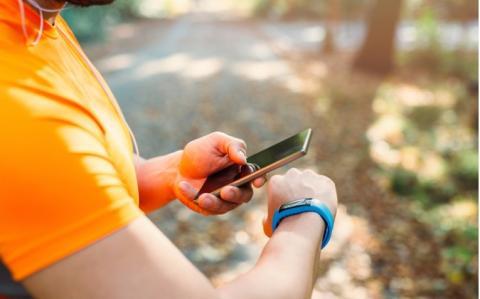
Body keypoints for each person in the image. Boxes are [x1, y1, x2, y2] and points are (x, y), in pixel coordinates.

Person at [0, 0, 338, 298]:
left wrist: (173, 173)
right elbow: (48, 159)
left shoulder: (37, 23)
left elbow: (77, 175)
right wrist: (304, 215)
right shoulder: (15, 100)